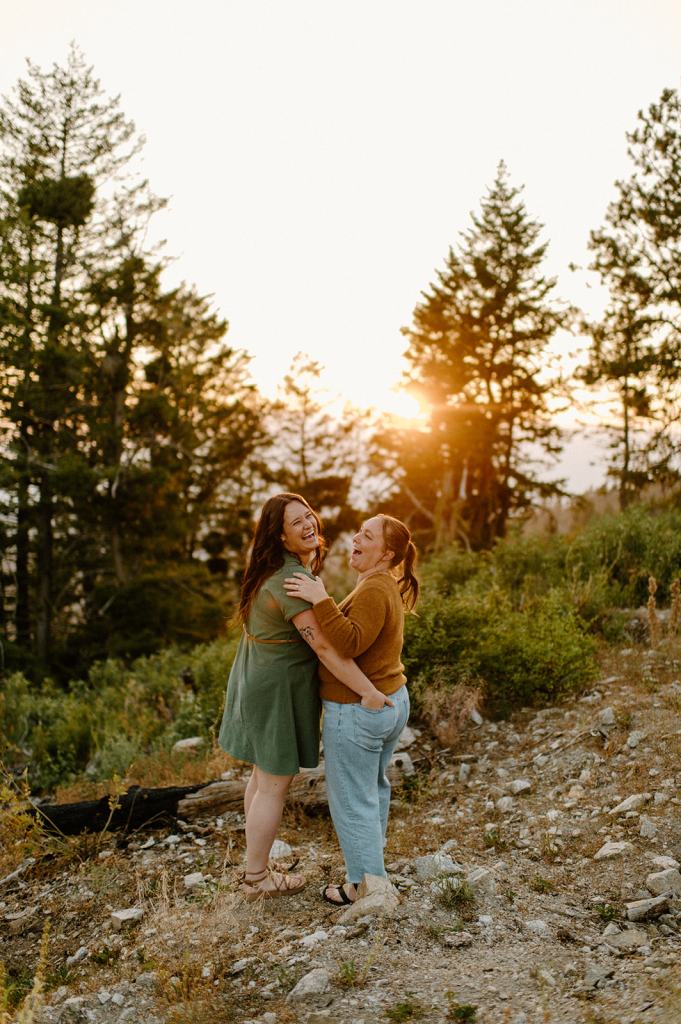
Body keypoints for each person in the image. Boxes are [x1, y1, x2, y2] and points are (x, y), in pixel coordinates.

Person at [218, 492, 392, 902]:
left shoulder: (274, 569)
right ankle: (256, 878)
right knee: (275, 784)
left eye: (308, 515)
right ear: (279, 536)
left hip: (257, 676)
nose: (308, 524)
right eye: (295, 522)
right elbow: (326, 649)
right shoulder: (292, 581)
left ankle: (254, 865)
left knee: (262, 778)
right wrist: (368, 690)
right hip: (278, 688)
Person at [284, 512, 418, 905]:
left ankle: (368, 888)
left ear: (386, 552)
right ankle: (368, 878)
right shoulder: (378, 583)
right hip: (386, 701)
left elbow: (348, 644)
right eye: (358, 531)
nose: (355, 539)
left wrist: (320, 599)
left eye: (367, 536)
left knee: (352, 800)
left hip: (359, 709)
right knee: (371, 791)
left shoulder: (376, 588)